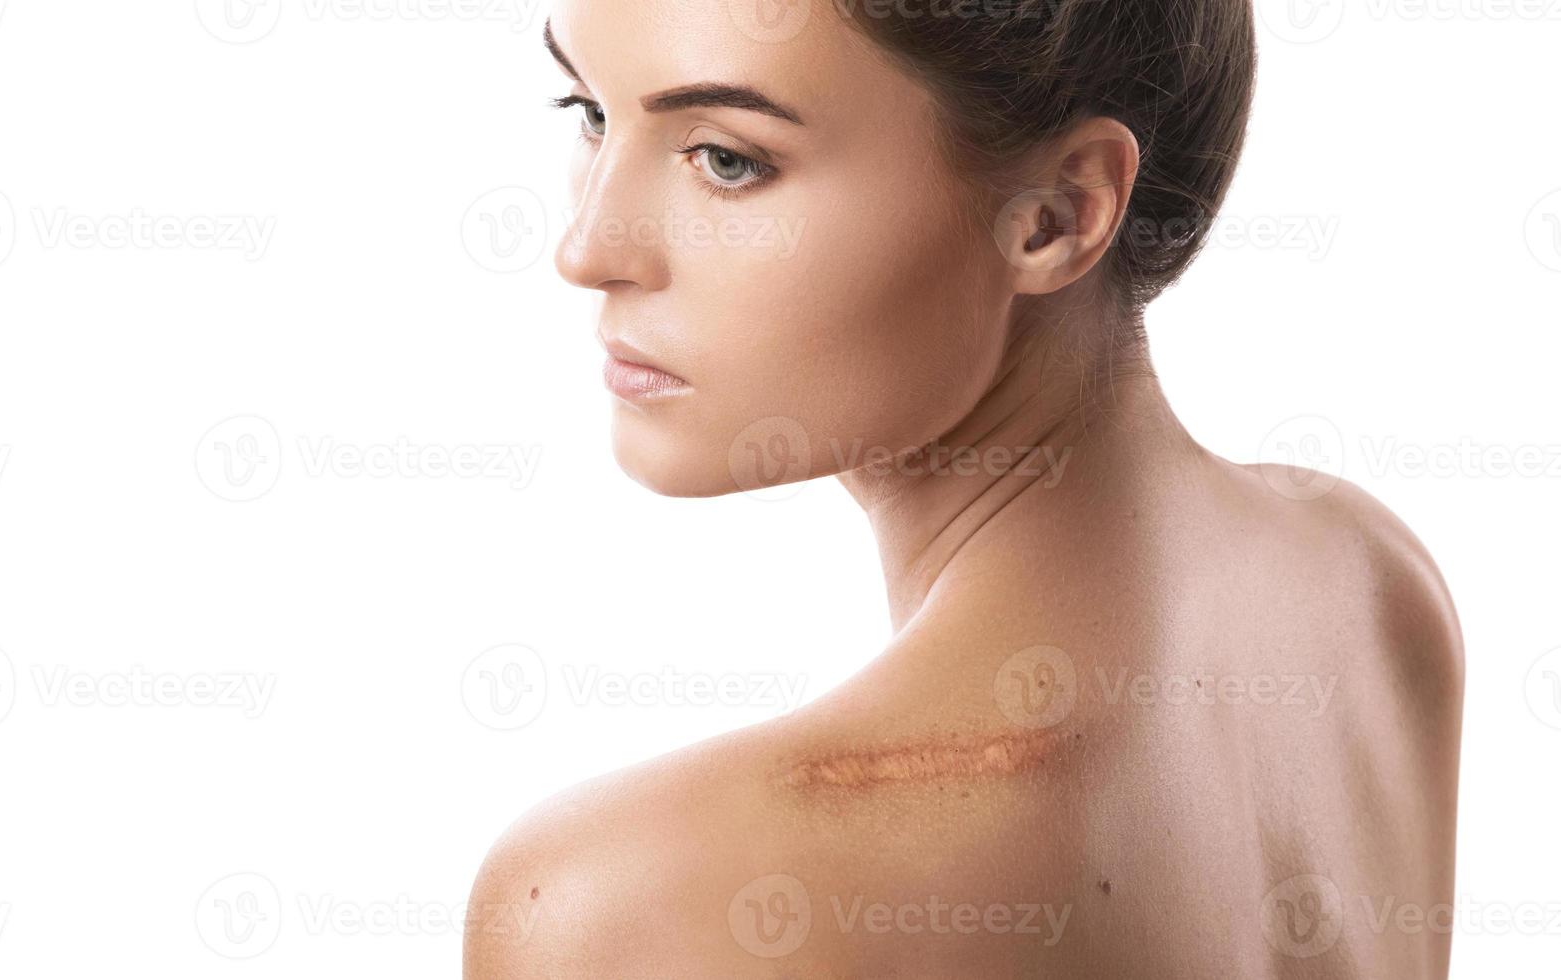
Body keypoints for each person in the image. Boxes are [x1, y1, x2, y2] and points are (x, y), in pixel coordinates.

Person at [466, 1, 1465, 975]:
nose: (586, 248)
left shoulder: (637, 902)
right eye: (591, 113)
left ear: (1055, 216)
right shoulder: (1368, 581)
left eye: (727, 159)